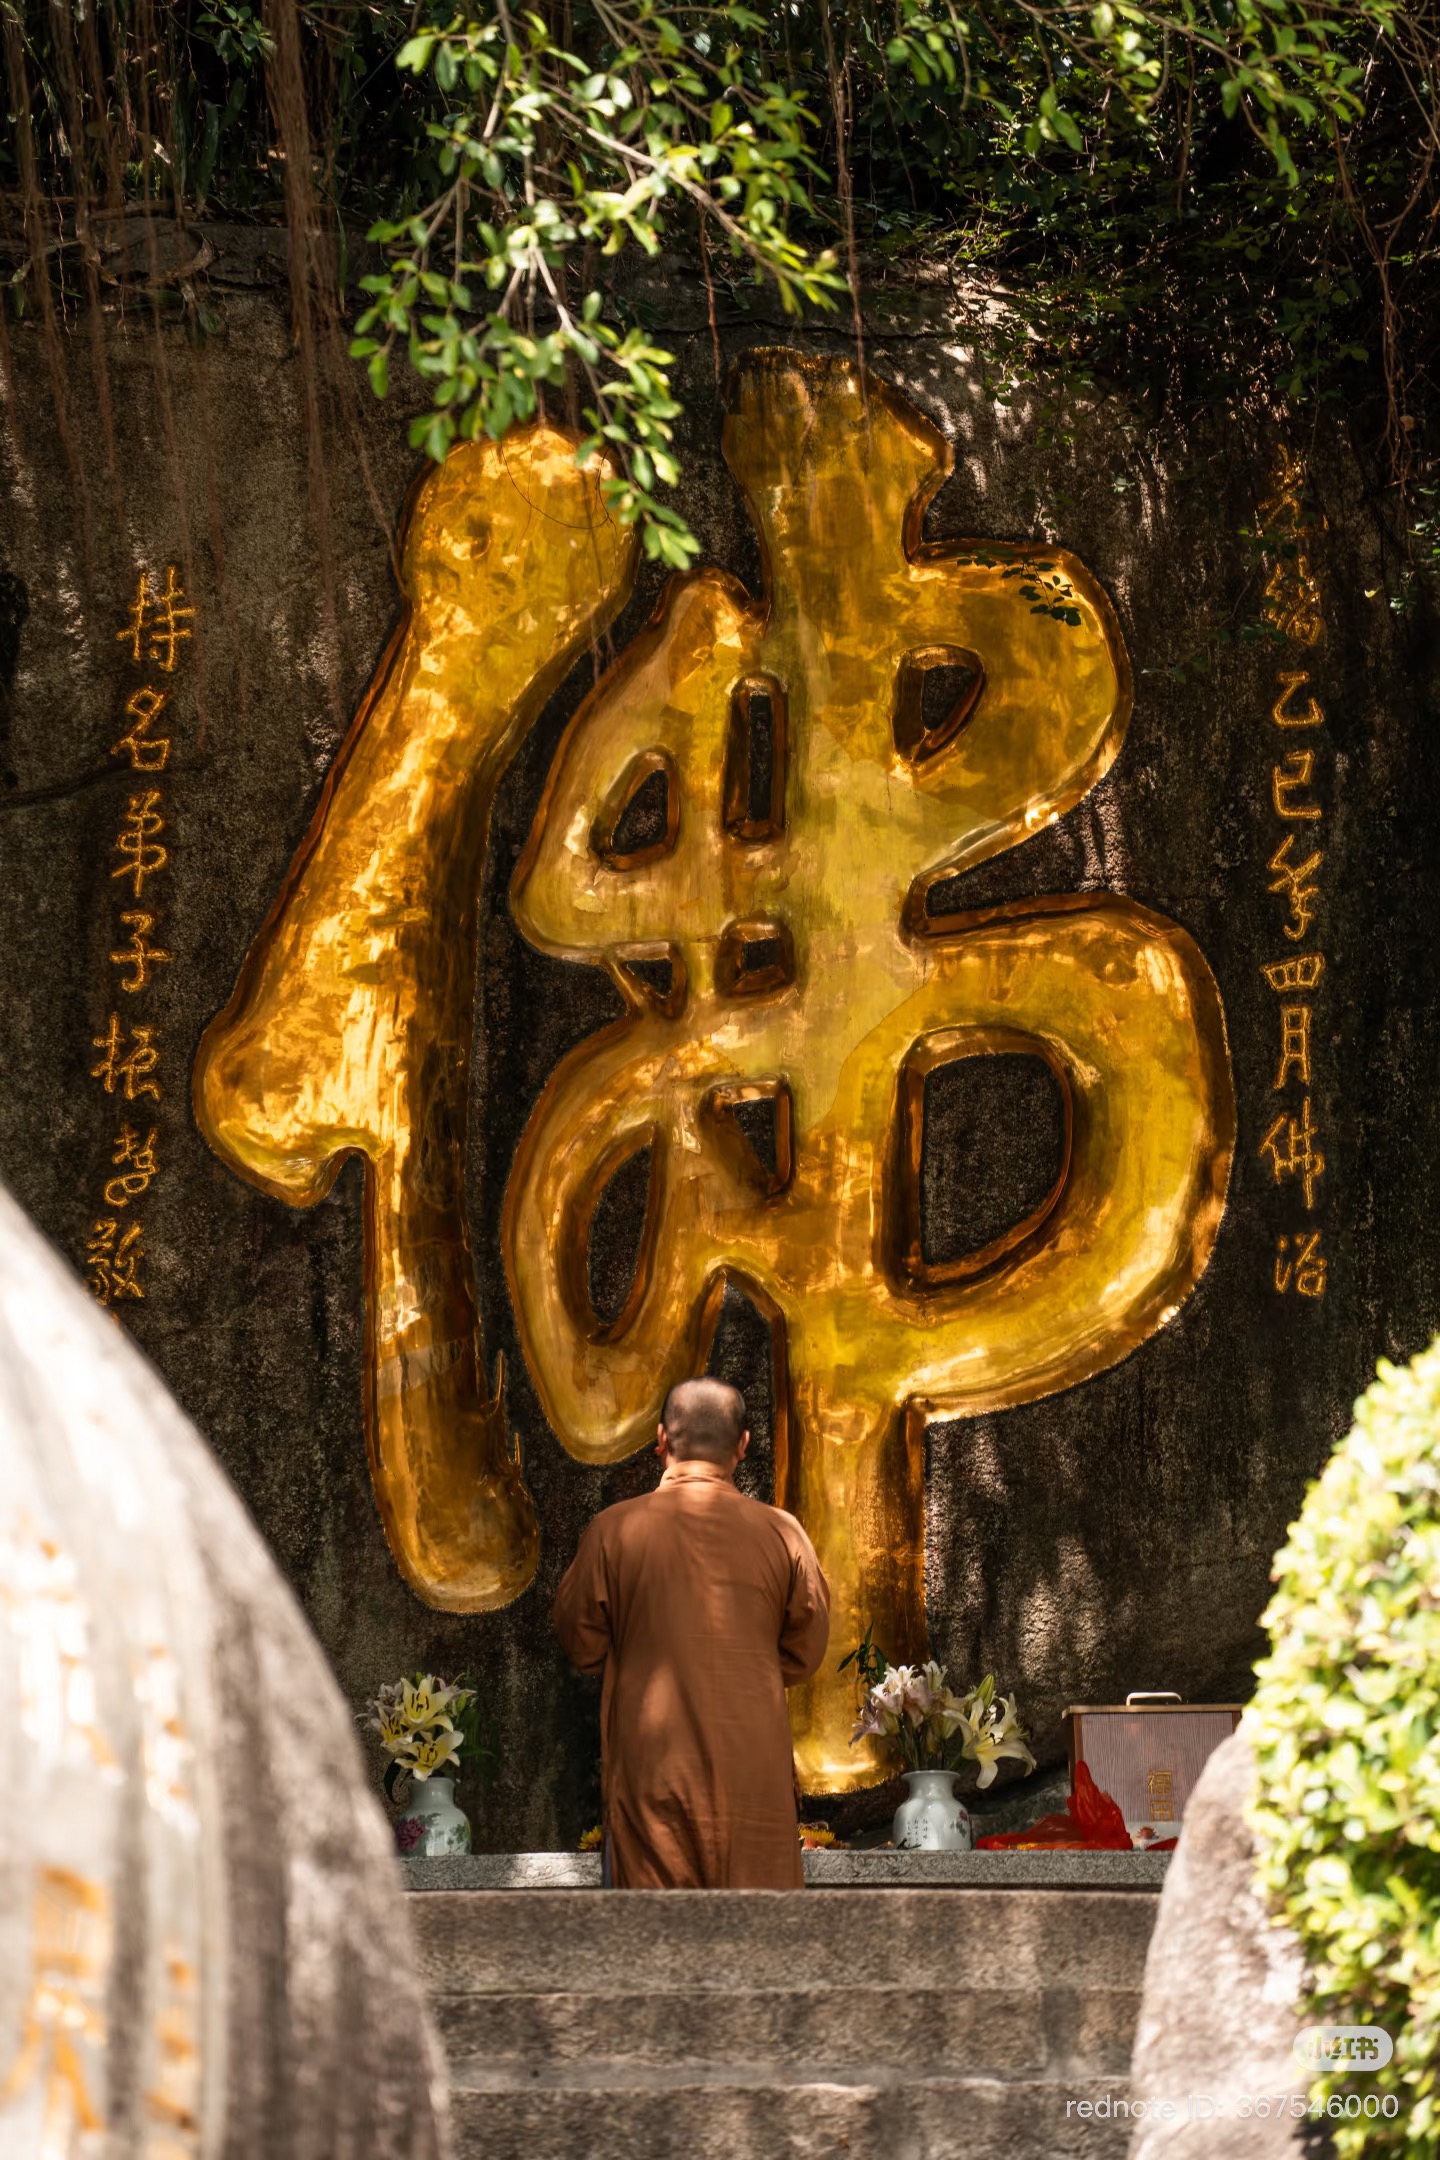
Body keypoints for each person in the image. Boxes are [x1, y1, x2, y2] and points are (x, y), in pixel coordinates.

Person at [552, 1377, 830, 1889]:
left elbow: (582, 1644)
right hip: (755, 1784)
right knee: (758, 1945)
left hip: (651, 1780)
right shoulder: (783, 1534)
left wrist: (638, 1646)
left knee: (656, 1947)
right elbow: (804, 1653)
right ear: (743, 1445)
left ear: (660, 1440)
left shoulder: (613, 1531)